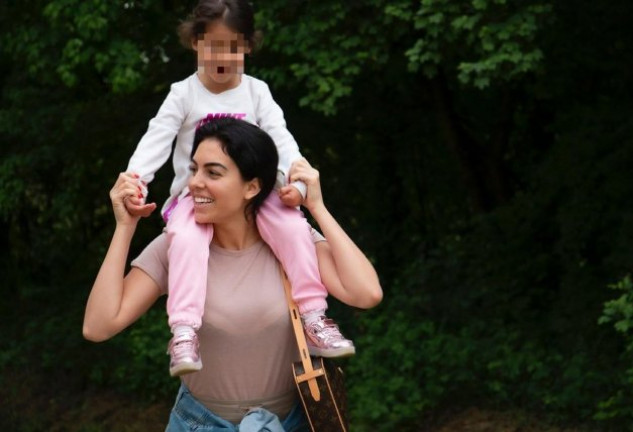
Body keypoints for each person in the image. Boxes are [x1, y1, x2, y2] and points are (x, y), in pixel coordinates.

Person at [83, 117, 382, 431]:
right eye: (194, 169)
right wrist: (124, 228)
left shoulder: (292, 243)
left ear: (251, 186)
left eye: (213, 172)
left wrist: (318, 207)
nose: (195, 182)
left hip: (292, 422)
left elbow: (366, 293)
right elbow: (98, 326)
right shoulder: (177, 246)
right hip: (200, 424)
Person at [123, 0, 356, 377]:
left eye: (232, 46)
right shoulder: (184, 94)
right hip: (197, 198)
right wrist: (136, 181)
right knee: (184, 238)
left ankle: (315, 316)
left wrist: (296, 182)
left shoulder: (257, 92)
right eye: (212, 45)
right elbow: (157, 139)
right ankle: (184, 330)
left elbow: (281, 140)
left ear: (247, 45)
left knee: (294, 227)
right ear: (196, 44)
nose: (222, 56)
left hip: (253, 191)